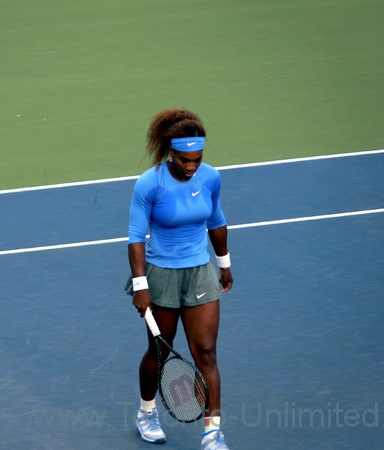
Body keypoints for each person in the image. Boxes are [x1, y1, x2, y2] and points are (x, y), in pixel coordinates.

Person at [125, 108, 233, 450]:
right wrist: (141, 286)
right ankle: (146, 412)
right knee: (158, 351)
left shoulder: (210, 177)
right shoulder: (149, 183)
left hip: (201, 273)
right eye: (185, 160)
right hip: (161, 276)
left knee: (206, 351)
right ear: (170, 152)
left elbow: (216, 219)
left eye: (197, 159)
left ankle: (212, 432)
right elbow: (135, 237)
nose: (191, 166)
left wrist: (224, 264)